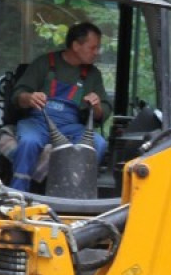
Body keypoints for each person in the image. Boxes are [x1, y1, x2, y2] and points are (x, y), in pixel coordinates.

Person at [8, 22, 110, 191]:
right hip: (38, 122)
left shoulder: (93, 74)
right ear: (76, 45)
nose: (96, 53)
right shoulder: (44, 63)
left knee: (98, 143)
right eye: (93, 48)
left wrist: (96, 106)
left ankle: (77, 193)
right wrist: (29, 98)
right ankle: (17, 193)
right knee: (29, 141)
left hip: (72, 127)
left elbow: (103, 113)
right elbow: (18, 95)